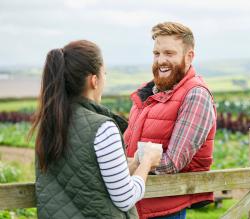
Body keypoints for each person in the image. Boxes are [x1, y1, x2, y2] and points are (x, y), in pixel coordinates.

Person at [30, 40, 162, 219]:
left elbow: (87, 176)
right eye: (104, 74)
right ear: (94, 80)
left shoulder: (50, 123)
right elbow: (125, 198)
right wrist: (147, 161)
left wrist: (134, 162)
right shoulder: (103, 128)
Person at [124, 22, 217, 219]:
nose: (161, 61)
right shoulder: (147, 93)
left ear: (189, 56)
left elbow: (172, 163)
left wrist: (124, 167)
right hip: (135, 204)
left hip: (164, 209)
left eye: (169, 53)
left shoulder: (196, 95)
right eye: (156, 54)